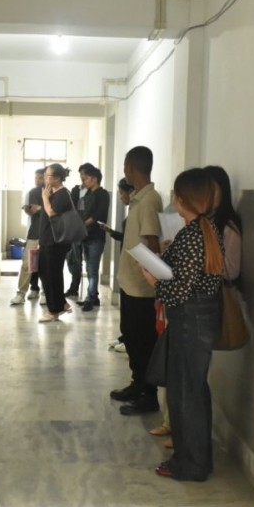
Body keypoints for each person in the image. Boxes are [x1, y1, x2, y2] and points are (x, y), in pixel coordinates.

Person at [142, 168, 224, 482]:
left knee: (185, 395)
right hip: (198, 322)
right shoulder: (207, 228)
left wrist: (153, 279)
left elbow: (178, 289)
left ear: (181, 199)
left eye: (176, 195)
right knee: (193, 392)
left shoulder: (193, 234)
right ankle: (197, 460)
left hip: (189, 323)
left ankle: (191, 465)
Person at [110, 146, 163, 416]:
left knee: (143, 342)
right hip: (130, 282)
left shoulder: (150, 199)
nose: (124, 171)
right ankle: (137, 382)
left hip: (142, 288)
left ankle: (148, 393)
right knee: (130, 337)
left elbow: (152, 242)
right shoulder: (138, 199)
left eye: (125, 166)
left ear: (131, 168)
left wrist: (154, 280)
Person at [36, 163, 74, 323]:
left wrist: (45, 198)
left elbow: (51, 212)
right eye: (44, 176)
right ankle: (61, 304)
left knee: (51, 275)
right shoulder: (53, 192)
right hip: (47, 240)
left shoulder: (63, 194)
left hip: (56, 242)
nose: (45, 179)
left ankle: (53, 311)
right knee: (47, 273)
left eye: (48, 176)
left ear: (57, 178)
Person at [102, 178, 135, 353]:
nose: (120, 197)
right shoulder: (132, 210)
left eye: (122, 193)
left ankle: (130, 340)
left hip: (133, 263)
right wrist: (111, 232)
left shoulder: (141, 207)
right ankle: (125, 336)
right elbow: (125, 237)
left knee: (132, 308)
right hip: (125, 259)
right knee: (126, 306)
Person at [11, 168, 45, 305]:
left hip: (50, 234)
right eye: (36, 177)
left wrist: (40, 208)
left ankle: (45, 293)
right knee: (27, 264)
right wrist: (31, 209)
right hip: (34, 233)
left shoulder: (55, 192)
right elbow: (30, 211)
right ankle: (21, 293)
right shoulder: (33, 192)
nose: (37, 180)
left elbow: (55, 211)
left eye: (40, 177)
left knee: (46, 265)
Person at [78, 165, 110, 311]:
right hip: (85, 236)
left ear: (94, 178)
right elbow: (82, 211)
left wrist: (83, 224)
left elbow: (99, 215)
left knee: (93, 268)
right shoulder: (86, 194)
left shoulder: (103, 194)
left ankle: (90, 298)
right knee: (89, 268)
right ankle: (94, 296)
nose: (84, 181)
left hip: (96, 236)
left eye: (86, 178)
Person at [65, 163, 94, 298]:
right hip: (75, 230)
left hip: (89, 231)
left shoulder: (95, 191)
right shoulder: (75, 190)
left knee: (90, 264)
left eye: (85, 174)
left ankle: (92, 293)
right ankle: (74, 286)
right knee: (73, 260)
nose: (83, 177)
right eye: (81, 174)